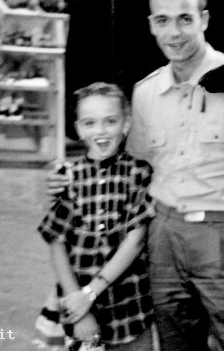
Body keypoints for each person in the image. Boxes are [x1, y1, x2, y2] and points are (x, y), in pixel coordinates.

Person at [48, 0, 224, 351]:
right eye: (163, 20)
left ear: (204, 20)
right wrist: (68, 181)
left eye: (185, 19)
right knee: (177, 345)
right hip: (162, 240)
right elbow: (131, 173)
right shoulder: (146, 94)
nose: (174, 33)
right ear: (151, 25)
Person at [38, 82, 155, 351]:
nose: (100, 132)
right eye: (90, 123)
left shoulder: (139, 173)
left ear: (126, 125)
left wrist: (90, 293)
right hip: (80, 306)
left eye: (110, 121)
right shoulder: (67, 177)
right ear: (78, 128)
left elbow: (135, 240)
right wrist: (77, 303)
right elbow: (57, 245)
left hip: (130, 306)